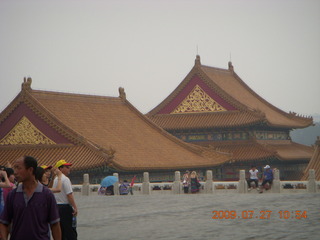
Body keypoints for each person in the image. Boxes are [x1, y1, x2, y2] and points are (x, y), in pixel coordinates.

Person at [0, 156, 61, 240]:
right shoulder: (12, 195)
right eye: (14, 168)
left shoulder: (47, 195)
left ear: (30, 170)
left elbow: (55, 224)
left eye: (18, 168)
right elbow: (4, 222)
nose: (15, 172)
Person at [52, 159, 78, 240]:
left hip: (57, 207)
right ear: (60, 169)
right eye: (67, 167)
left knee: (61, 230)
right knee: (70, 230)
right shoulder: (65, 179)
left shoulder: (56, 179)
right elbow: (69, 195)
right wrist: (75, 207)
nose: (69, 169)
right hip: (65, 207)